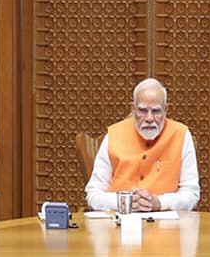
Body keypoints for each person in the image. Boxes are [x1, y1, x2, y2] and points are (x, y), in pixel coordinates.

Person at [84, 78, 200, 212]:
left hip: (166, 227)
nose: (149, 118)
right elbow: (93, 194)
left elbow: (192, 194)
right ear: (133, 109)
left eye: (156, 111)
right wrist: (122, 201)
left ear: (166, 110)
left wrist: (160, 203)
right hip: (118, 225)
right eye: (143, 111)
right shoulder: (113, 135)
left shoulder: (182, 135)